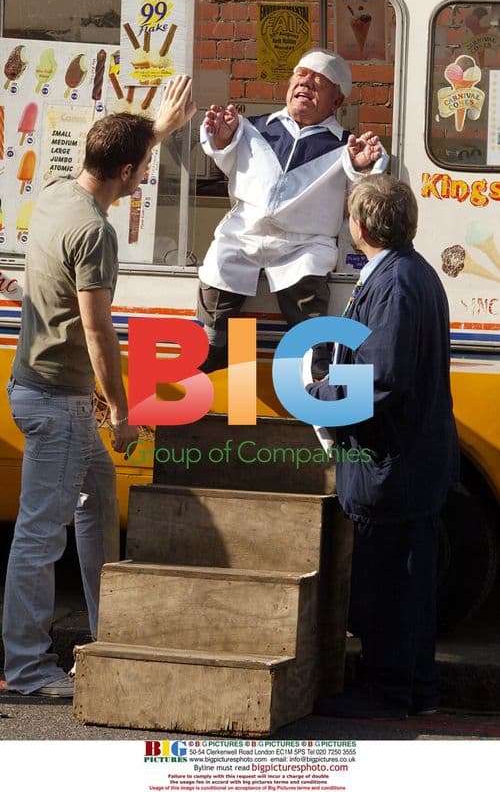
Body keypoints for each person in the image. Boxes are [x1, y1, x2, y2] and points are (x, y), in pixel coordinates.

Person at [3, 76, 196, 697]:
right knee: (40, 534)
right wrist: (118, 411)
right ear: (126, 170)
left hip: (45, 390)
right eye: (144, 165)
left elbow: (114, 163)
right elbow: (97, 333)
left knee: (94, 515)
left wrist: (155, 132)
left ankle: (103, 636)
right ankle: (30, 669)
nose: (146, 174)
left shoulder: (59, 191)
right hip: (62, 401)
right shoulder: (97, 234)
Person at [307, 174, 459, 718]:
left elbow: (382, 377)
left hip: (389, 464)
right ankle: (416, 689)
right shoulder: (410, 274)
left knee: (387, 586)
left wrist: (319, 394)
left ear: (361, 226)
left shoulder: (394, 283)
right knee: (409, 585)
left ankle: (388, 693)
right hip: (408, 459)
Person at [197, 48, 388, 377]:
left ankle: (317, 363)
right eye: (301, 75)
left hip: (304, 244)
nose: (307, 82)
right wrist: (224, 139)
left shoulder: (346, 145)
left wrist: (361, 167)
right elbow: (223, 158)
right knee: (217, 271)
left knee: (308, 298)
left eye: (320, 81)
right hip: (244, 234)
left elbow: (363, 191)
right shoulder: (252, 128)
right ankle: (213, 346)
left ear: (337, 102)